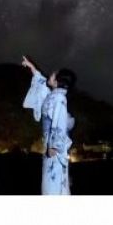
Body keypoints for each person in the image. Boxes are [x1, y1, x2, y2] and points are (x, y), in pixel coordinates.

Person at [21, 55, 76, 195]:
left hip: (54, 147)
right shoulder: (54, 95)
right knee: (50, 181)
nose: (50, 76)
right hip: (49, 144)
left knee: (54, 182)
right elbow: (41, 83)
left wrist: (55, 145)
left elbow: (60, 121)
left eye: (53, 75)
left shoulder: (59, 98)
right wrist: (32, 67)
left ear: (57, 81)